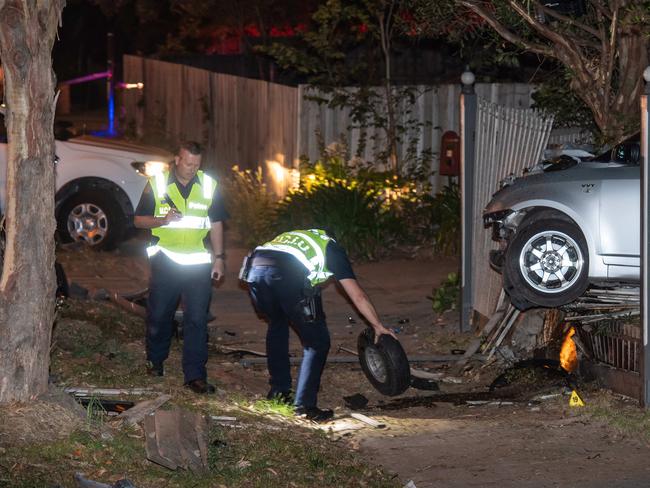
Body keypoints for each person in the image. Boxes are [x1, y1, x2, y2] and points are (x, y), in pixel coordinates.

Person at [241, 228, 396, 421]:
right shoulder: (331, 248)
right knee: (317, 342)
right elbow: (357, 295)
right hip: (286, 274)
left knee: (277, 325)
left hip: (254, 271)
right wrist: (377, 326)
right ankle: (305, 406)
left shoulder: (298, 236)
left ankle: (278, 393)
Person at [134, 141, 228, 394]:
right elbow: (139, 220)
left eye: (196, 164)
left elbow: (217, 223)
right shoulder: (158, 184)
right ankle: (155, 361)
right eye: (188, 163)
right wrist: (161, 220)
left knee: (197, 319)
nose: (192, 168)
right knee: (160, 314)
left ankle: (195, 375)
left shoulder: (208, 185)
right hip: (165, 259)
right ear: (177, 160)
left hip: (198, 261)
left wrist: (219, 257)